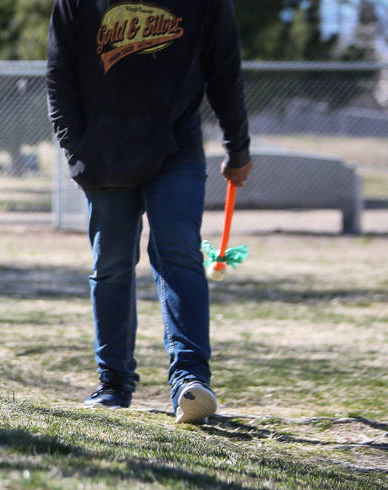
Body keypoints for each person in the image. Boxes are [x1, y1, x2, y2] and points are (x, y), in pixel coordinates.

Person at [47, 0, 253, 424]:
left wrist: (238, 147)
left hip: (175, 146)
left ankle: (189, 382)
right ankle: (113, 384)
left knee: (177, 250)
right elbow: (59, 73)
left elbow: (224, 70)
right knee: (112, 263)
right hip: (103, 151)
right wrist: (74, 148)